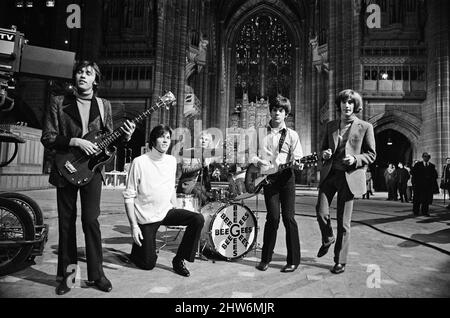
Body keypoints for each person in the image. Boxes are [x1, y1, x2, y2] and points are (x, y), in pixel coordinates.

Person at [41, 60, 136, 295]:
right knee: (66, 222)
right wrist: (75, 141)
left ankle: (96, 275)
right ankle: (68, 277)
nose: (83, 75)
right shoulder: (59, 102)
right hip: (67, 167)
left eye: (88, 73)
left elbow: (109, 142)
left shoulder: (104, 106)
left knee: (91, 221)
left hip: (92, 170)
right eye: (80, 72)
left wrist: (125, 137)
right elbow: (48, 137)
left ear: (96, 79)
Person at [123, 125, 205, 277]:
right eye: (162, 137)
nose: (166, 140)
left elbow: (171, 186)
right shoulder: (139, 162)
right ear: (153, 140)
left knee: (197, 219)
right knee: (148, 264)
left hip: (166, 211)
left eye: (168, 137)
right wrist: (134, 226)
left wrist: (175, 206)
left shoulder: (171, 161)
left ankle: (179, 259)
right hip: (146, 217)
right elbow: (129, 196)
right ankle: (138, 251)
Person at [315, 89, 376, 274]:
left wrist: (356, 160)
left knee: (343, 222)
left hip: (349, 177)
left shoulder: (365, 126)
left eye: (350, 102)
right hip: (330, 174)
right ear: (339, 105)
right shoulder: (330, 125)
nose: (346, 105)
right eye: (343, 102)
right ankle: (328, 238)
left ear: (355, 105)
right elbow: (323, 149)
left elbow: (372, 155)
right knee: (320, 211)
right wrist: (324, 153)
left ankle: (340, 260)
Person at [253, 95, 304, 273]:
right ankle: (265, 258)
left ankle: (293, 260)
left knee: (289, 218)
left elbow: (298, 157)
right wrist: (259, 162)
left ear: (286, 114)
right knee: (272, 218)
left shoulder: (292, 135)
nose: (277, 113)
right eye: (274, 109)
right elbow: (251, 155)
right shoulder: (260, 133)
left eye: (281, 110)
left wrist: (298, 163)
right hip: (269, 179)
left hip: (287, 178)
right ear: (271, 111)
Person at [177, 130, 221, 205]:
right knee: (205, 200)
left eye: (206, 140)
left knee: (213, 198)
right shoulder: (189, 152)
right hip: (188, 184)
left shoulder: (208, 155)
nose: (203, 141)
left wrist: (215, 173)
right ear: (197, 141)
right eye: (201, 139)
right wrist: (201, 165)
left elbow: (206, 175)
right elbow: (185, 170)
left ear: (209, 143)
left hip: (201, 186)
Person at [411, 152, 438, 216]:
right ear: (423, 157)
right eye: (425, 156)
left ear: (429, 158)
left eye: (428, 156)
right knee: (417, 200)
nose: (426, 158)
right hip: (419, 186)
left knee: (426, 200)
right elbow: (413, 173)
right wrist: (414, 183)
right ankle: (416, 211)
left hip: (427, 186)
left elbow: (435, 175)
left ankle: (425, 212)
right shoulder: (418, 164)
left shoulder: (432, 166)